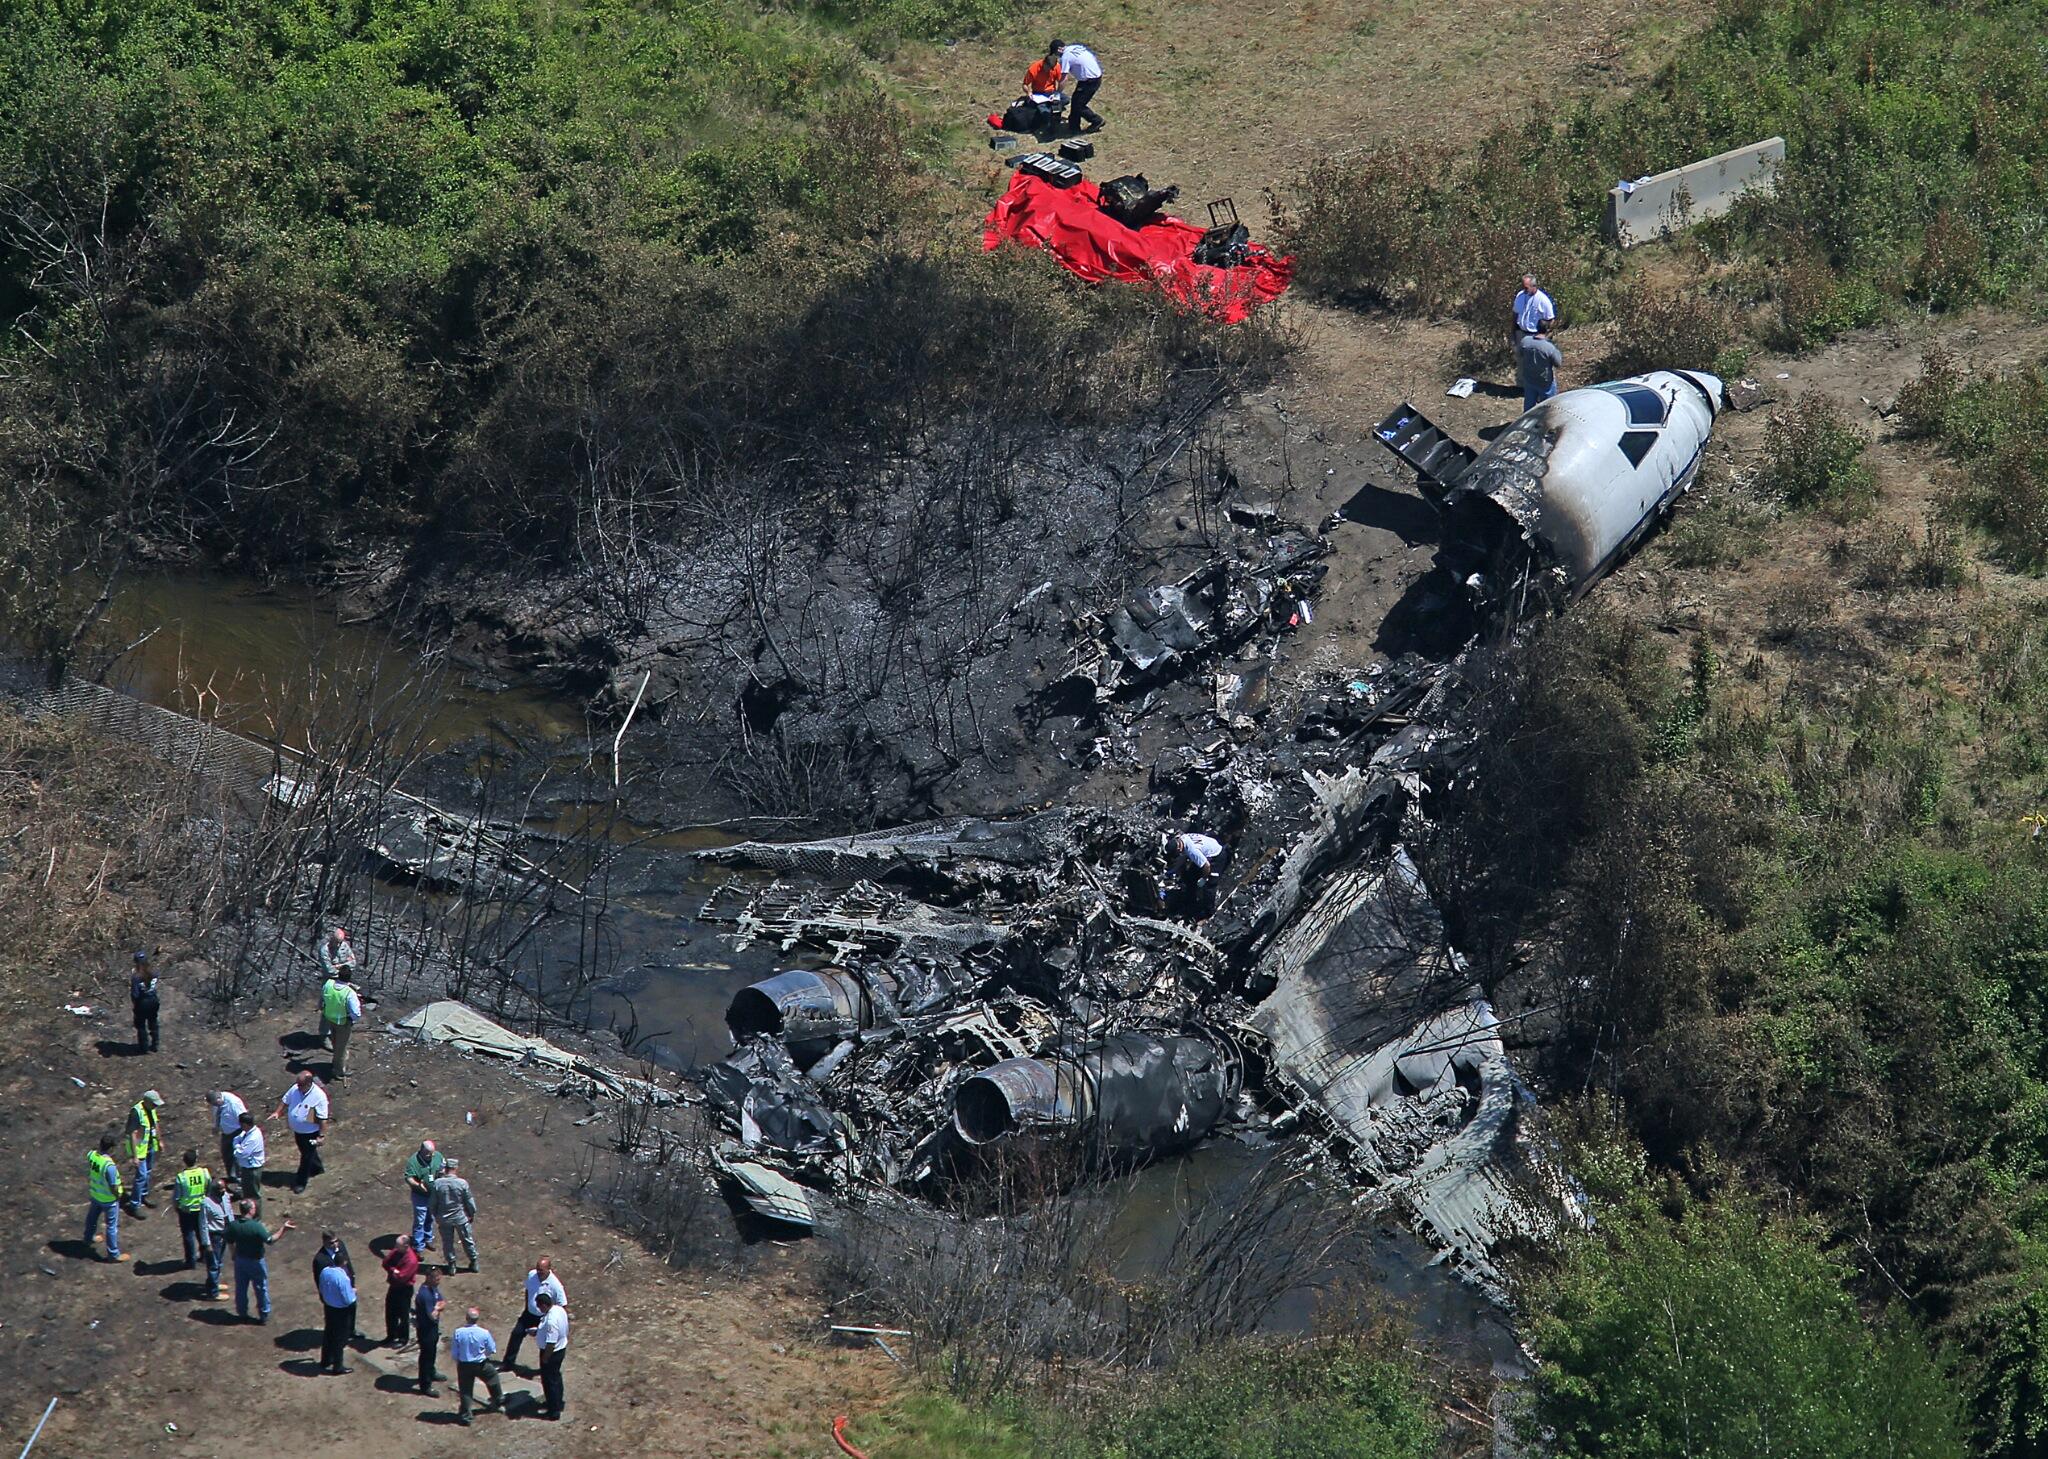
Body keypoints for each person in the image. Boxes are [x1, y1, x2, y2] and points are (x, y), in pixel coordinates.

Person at [225, 1199, 293, 1323]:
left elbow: (229, 1241)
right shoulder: (256, 1227)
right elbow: (270, 1240)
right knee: (261, 1287)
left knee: (241, 1288)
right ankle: (264, 1314)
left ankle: (242, 1313)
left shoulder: (234, 1225)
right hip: (256, 1262)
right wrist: (283, 1229)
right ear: (251, 1210)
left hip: (240, 1261)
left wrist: (233, 1254)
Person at [503, 1255, 567, 1373]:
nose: (538, 1272)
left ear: (549, 1269)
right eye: (537, 1269)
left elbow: (562, 1305)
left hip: (543, 1318)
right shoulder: (532, 1275)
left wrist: (552, 1318)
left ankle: (545, 1368)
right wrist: (528, 1306)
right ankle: (508, 1363)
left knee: (544, 1343)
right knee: (516, 1334)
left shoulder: (556, 1286)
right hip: (528, 1314)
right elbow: (528, 1290)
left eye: (541, 1270)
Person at [273, 1070, 330, 1194]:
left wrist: (321, 1136)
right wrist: (278, 1112)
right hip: (298, 1131)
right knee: (306, 1151)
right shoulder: (296, 1089)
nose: (297, 1087)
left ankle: (301, 1182)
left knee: (306, 1157)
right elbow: (285, 1100)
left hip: (311, 1132)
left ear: (308, 1084)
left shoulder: (319, 1096)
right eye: (297, 1084)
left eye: (300, 1085)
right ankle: (317, 1168)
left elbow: (323, 1119)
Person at [450, 1308, 505, 1425]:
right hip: (481, 1364)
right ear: (477, 1319)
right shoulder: (484, 1333)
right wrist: (484, 1355)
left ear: (466, 1318)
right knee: (493, 1378)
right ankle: (499, 1399)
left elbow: (454, 1353)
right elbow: (492, 1349)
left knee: (465, 1390)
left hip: (464, 1365)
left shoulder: (458, 1332)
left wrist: (459, 1361)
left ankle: (466, 1416)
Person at [84, 1133, 128, 1263]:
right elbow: (113, 1185)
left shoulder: (92, 1155)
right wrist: (117, 1196)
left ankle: (88, 1238)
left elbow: (92, 1157)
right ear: (111, 1148)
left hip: (95, 1194)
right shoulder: (109, 1166)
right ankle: (113, 1255)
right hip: (108, 1199)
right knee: (111, 1227)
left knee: (92, 1217)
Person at [430, 1158, 479, 1273]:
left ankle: (452, 1265)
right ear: (455, 1168)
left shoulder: (437, 1183)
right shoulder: (462, 1183)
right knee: (467, 1240)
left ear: (445, 1168)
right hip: (460, 1218)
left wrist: (436, 1215)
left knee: (447, 1242)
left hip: (444, 1219)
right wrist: (471, 1213)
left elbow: (432, 1203)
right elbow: (469, 1201)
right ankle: (474, 1261)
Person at [316, 1246, 358, 1373]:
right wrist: (353, 1292)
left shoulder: (325, 1271)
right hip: (340, 1310)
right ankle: (337, 1366)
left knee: (329, 1333)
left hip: (329, 1307)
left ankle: (325, 1360)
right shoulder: (342, 1278)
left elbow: (321, 1287)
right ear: (344, 1262)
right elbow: (348, 1299)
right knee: (339, 1338)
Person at [319, 962, 363, 1080]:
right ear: (349, 978)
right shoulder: (349, 993)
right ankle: (338, 1071)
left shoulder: (328, 984)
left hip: (330, 1018)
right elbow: (356, 1013)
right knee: (341, 1047)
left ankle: (337, 1060)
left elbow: (323, 998)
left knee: (335, 1041)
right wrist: (352, 1019)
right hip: (343, 1022)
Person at [124, 1089, 164, 1215]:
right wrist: (135, 1156)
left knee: (148, 1172)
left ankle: (144, 1195)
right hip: (140, 1149)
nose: (156, 1106)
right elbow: (132, 1134)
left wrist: (159, 1141)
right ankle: (134, 1204)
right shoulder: (136, 1112)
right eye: (154, 1104)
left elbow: (155, 1124)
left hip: (149, 1146)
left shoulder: (151, 1108)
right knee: (141, 1176)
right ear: (147, 1101)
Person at [171, 1147, 212, 1270]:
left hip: (186, 1210)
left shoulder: (181, 1177)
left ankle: (190, 1261)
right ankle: (204, 1256)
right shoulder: (204, 1173)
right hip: (201, 1208)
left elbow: (177, 1197)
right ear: (196, 1160)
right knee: (202, 1232)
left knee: (188, 1235)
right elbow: (209, 1188)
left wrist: (176, 1207)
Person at [404, 1139, 445, 1253]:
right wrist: (418, 1185)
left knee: (430, 1218)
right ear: (421, 1150)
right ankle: (418, 1246)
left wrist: (442, 1174)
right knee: (420, 1221)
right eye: (428, 1153)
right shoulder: (413, 1162)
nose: (431, 1156)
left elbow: (443, 1166)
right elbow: (409, 1178)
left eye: (432, 1153)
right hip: (420, 1196)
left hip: (433, 1195)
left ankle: (428, 1238)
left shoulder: (437, 1156)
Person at [534, 1290, 569, 1422]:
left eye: (539, 1306)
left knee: (549, 1382)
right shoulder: (559, 1310)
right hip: (561, 1348)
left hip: (551, 1353)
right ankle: (558, 1402)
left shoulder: (551, 1321)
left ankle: (553, 1411)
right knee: (556, 1377)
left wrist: (545, 1358)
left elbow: (551, 1343)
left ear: (544, 1305)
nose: (539, 1309)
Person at [1516, 317, 1564, 411]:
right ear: (1547, 330)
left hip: (1529, 378)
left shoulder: (1525, 341)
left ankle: (1527, 419)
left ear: (1536, 328)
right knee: (1548, 407)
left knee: (1529, 405)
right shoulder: (1549, 347)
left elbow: (1519, 354)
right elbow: (1558, 363)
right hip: (1544, 381)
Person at [1056, 40, 1104, 133]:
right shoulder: (1075, 47)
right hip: (1094, 76)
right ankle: (1073, 127)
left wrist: (1057, 93)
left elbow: (1064, 78)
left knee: (1079, 105)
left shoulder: (1065, 57)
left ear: (1059, 49)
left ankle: (1096, 121)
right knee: (1076, 101)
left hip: (1090, 81)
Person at [382, 1235, 420, 1347]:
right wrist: (394, 1270)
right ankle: (391, 1335)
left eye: (398, 1245)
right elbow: (385, 1263)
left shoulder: (411, 1260)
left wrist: (393, 1270)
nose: (395, 1247)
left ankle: (403, 1338)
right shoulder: (396, 1251)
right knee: (390, 1312)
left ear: (406, 1246)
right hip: (394, 1287)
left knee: (403, 1315)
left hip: (404, 1290)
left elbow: (401, 1277)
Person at [415, 1268, 448, 1396]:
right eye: (437, 1279)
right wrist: (438, 1308)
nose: (439, 1282)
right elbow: (432, 1316)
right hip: (426, 1331)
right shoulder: (424, 1295)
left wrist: (438, 1307)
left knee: (432, 1353)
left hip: (432, 1329)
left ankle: (431, 1372)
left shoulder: (433, 1288)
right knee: (426, 1357)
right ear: (429, 1278)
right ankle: (425, 1385)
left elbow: (442, 1302)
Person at [199, 1179, 233, 1300]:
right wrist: (207, 1243)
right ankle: (213, 1293)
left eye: (224, 1188)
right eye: (220, 1189)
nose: (223, 1191)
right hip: (214, 1236)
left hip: (225, 1232)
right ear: (213, 1190)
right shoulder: (206, 1203)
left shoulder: (225, 1197)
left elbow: (229, 1212)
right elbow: (203, 1224)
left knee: (219, 1261)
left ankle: (214, 1283)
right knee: (214, 1264)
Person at [231, 1110, 266, 1211]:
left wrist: (237, 1146)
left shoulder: (253, 1137)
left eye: (241, 1124)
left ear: (245, 1124)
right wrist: (238, 1145)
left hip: (252, 1170)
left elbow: (241, 1154)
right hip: (248, 1168)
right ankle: (249, 1213)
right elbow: (236, 1139)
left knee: (253, 1195)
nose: (240, 1126)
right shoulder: (247, 1133)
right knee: (247, 1193)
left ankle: (256, 1216)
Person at [129, 951, 160, 1054]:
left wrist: (135, 1004)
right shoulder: (154, 973)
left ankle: (144, 1047)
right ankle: (155, 1044)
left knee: (141, 1025)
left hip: (142, 1003)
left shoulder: (136, 977)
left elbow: (135, 994)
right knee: (153, 1022)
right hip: (154, 1000)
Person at [211, 1089, 248, 1175]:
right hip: (226, 1133)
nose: (215, 1106)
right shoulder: (216, 1103)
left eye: (216, 1104)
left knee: (237, 1156)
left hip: (237, 1132)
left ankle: (240, 1177)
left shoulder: (233, 1103)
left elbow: (244, 1118)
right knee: (226, 1155)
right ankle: (232, 1176)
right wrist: (216, 1126)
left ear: (219, 1098)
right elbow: (216, 1115)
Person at [1513, 274, 1555, 339]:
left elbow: (1551, 320)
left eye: (1526, 288)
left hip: (1535, 335)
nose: (1524, 290)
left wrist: (1545, 335)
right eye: (1523, 287)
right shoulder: (1520, 295)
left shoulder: (1543, 300)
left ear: (1534, 286)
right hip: (1520, 332)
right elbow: (1515, 313)